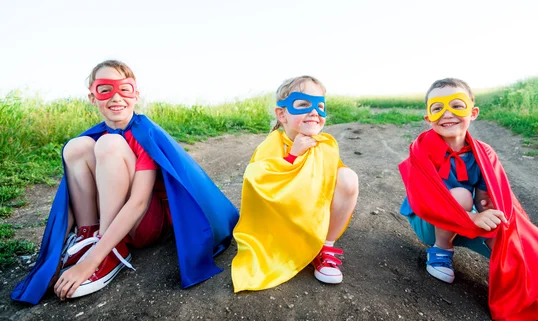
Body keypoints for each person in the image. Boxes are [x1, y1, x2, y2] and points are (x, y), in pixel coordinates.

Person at [11, 60, 239, 304]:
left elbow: (139, 203)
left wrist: (90, 262)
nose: (116, 97)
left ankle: (108, 250)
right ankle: (88, 236)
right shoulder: (96, 134)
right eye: (105, 89)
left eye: (125, 89)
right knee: (76, 147)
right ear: (92, 97)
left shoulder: (144, 134)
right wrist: (51, 257)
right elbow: (70, 199)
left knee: (111, 145)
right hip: (109, 215)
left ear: (136, 94)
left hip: (145, 221)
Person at [398, 78, 538, 320]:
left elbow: (489, 198)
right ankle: (440, 251)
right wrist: (471, 217)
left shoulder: (483, 152)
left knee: (508, 233)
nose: (447, 113)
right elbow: (426, 199)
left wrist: (492, 219)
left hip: (466, 219)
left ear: (473, 112)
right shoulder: (421, 149)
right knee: (461, 194)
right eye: (437, 108)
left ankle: (515, 293)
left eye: (457, 105)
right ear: (428, 118)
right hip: (429, 222)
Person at [231, 76, 359, 292]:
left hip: (313, 214)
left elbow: (332, 184)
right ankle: (295, 246)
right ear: (282, 114)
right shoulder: (272, 145)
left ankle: (325, 247)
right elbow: (259, 180)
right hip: (282, 223)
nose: (314, 112)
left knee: (348, 177)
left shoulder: (324, 145)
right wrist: (292, 156)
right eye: (302, 105)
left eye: (320, 106)